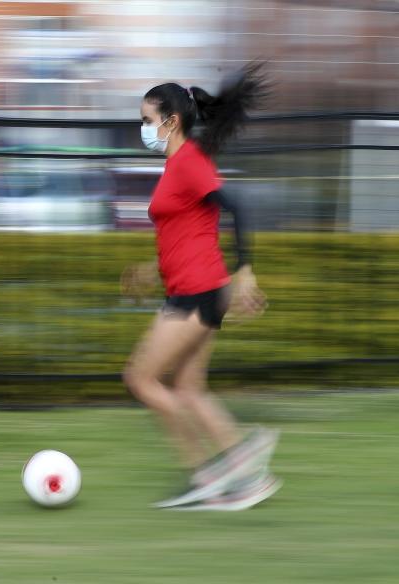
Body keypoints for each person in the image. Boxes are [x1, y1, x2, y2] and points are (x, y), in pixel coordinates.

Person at [121, 63, 280, 511]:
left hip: (196, 294)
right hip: (199, 288)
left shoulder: (188, 162)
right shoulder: (178, 167)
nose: (143, 129)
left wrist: (245, 270)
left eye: (148, 121)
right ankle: (248, 480)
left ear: (171, 122)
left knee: (140, 378)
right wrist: (154, 268)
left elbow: (238, 205)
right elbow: (187, 231)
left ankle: (210, 473)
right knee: (189, 389)